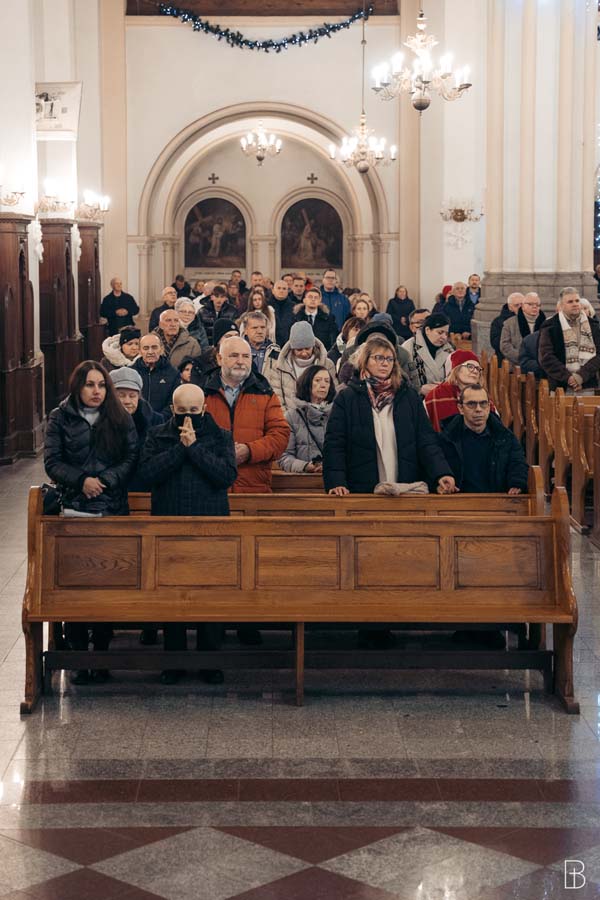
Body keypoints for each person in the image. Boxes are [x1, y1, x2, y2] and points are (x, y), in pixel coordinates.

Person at [44, 360, 138, 684]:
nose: (96, 391)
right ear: (78, 387)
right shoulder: (60, 417)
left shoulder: (120, 417)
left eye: (101, 385)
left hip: (112, 509)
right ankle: (79, 657)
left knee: (106, 588)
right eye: (89, 385)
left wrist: (106, 480)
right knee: (77, 588)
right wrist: (82, 480)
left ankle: (101, 654)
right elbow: (52, 461)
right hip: (75, 511)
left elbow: (131, 457)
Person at [140, 383, 237, 685]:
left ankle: (210, 661)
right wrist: (179, 449)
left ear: (204, 409)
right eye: (182, 411)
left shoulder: (221, 436)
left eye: (194, 411)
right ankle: (174, 661)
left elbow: (225, 476)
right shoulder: (157, 435)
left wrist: (193, 448)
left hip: (210, 526)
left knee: (211, 596)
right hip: (168, 525)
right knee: (172, 597)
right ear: (172, 409)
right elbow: (147, 474)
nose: (188, 417)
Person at [323, 334, 456, 496]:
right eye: (378, 358)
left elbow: (426, 440)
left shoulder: (408, 396)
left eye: (389, 359)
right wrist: (336, 481)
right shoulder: (347, 398)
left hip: (403, 487)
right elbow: (335, 443)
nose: (385, 363)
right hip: (362, 488)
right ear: (365, 361)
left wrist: (441, 473)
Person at [203, 336, 290, 493]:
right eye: (234, 356)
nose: (240, 361)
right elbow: (190, 437)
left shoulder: (265, 393)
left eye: (246, 356)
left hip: (254, 489)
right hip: (211, 488)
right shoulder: (202, 393)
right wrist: (221, 453)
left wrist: (250, 451)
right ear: (219, 359)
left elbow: (280, 436)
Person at [437, 384, 529, 493]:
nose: (478, 409)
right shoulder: (447, 438)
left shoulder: (505, 436)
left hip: (497, 499)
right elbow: (435, 468)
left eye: (483, 404)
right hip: (458, 499)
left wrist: (517, 483)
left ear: (489, 407)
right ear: (460, 408)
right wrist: (441, 485)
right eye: (471, 404)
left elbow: (518, 463)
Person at [264, 320, 337, 412]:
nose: (304, 353)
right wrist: (288, 418)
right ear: (292, 348)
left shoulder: (328, 365)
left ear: (313, 346)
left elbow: (333, 394)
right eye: (299, 349)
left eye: (307, 348)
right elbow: (277, 398)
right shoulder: (278, 367)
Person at [539, 287, 600, 391]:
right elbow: (546, 357)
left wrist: (581, 376)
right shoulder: (550, 326)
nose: (575, 304)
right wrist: (569, 378)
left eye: (577, 301)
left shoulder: (593, 325)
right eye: (570, 302)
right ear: (561, 305)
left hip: (588, 384)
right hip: (559, 386)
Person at [279, 365, 335, 473]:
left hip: (333, 478)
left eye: (327, 381)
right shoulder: (291, 417)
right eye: (317, 380)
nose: (323, 385)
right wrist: (305, 466)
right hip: (302, 478)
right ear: (307, 383)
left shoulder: (337, 415)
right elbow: (284, 457)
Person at [424, 349, 494, 432]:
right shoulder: (435, 396)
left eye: (478, 368)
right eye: (470, 366)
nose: (475, 371)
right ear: (456, 369)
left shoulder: (484, 396)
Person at [403, 312, 454, 396]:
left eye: (446, 333)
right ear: (427, 330)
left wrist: (445, 386)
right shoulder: (408, 347)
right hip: (415, 400)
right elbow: (399, 379)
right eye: (440, 332)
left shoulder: (450, 350)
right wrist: (419, 389)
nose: (444, 337)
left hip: (442, 398)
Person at [131, 333, 180, 417]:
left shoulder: (173, 374)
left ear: (161, 349)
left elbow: (173, 403)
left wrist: (158, 419)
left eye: (154, 347)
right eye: (146, 348)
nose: (150, 352)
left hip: (163, 422)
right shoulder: (131, 373)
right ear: (139, 351)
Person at [499, 293, 545, 367]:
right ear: (523, 306)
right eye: (530, 304)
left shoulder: (546, 323)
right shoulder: (509, 323)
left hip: (541, 365)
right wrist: (523, 358)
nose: (535, 307)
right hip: (516, 366)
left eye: (537, 304)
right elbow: (505, 346)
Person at [240, 310, 278, 375]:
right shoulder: (238, 350)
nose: (260, 331)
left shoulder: (276, 351)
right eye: (255, 328)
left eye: (263, 327)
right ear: (245, 330)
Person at [490, 292, 523, 360]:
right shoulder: (498, 321)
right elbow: (496, 343)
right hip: (505, 359)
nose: (520, 308)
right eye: (517, 305)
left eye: (522, 305)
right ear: (510, 307)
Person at [269, 279, 296, 346]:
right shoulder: (266, 306)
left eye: (284, 289)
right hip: (270, 343)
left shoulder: (294, 307)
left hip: (289, 344)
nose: (281, 291)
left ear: (288, 291)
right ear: (273, 291)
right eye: (279, 288)